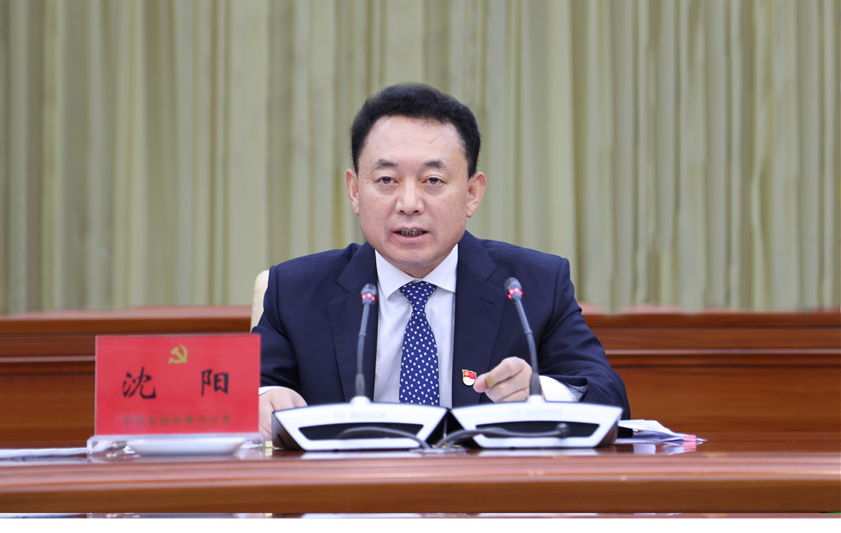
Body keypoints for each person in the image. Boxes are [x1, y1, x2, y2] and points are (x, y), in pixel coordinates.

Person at [252, 83, 629, 439]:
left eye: (432, 180)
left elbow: (609, 397)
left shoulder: (533, 286)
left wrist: (541, 392)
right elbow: (250, 389)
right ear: (354, 191)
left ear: (472, 193)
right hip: (351, 486)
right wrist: (264, 399)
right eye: (386, 180)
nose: (409, 203)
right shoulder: (296, 291)